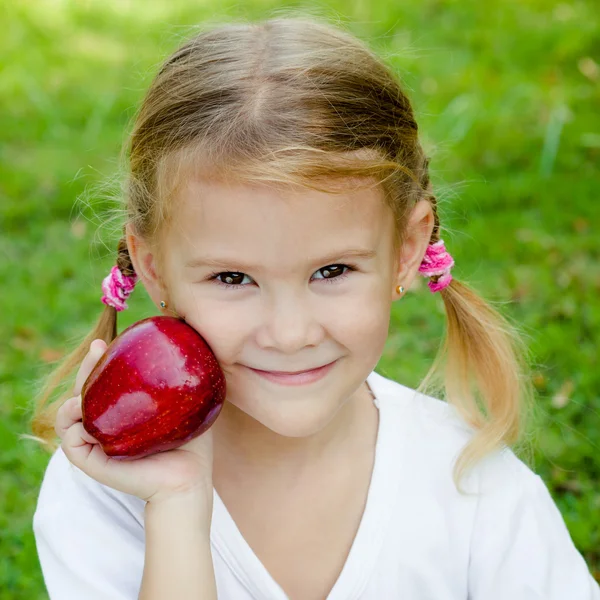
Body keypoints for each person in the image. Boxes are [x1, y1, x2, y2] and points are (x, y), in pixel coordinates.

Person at [30, 14, 600, 600]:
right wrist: (177, 506)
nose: (289, 332)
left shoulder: (475, 490)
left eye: (332, 271)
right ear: (152, 268)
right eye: (232, 277)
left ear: (408, 249)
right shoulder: (108, 493)